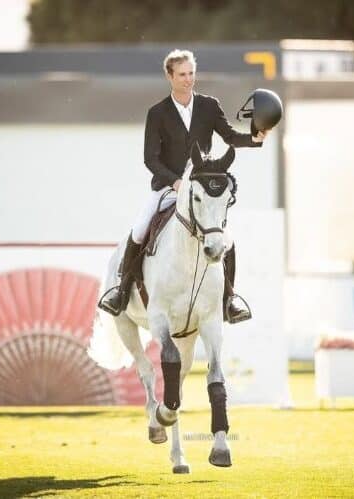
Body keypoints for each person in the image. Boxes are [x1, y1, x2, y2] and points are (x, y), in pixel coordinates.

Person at [98, 49, 268, 323]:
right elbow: (150, 158)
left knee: (228, 240)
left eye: (191, 73)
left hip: (201, 188)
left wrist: (255, 138)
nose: (188, 79)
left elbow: (229, 136)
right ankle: (121, 290)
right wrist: (175, 181)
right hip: (168, 188)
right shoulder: (158, 113)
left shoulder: (209, 106)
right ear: (170, 76)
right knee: (140, 230)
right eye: (182, 75)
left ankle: (230, 299)